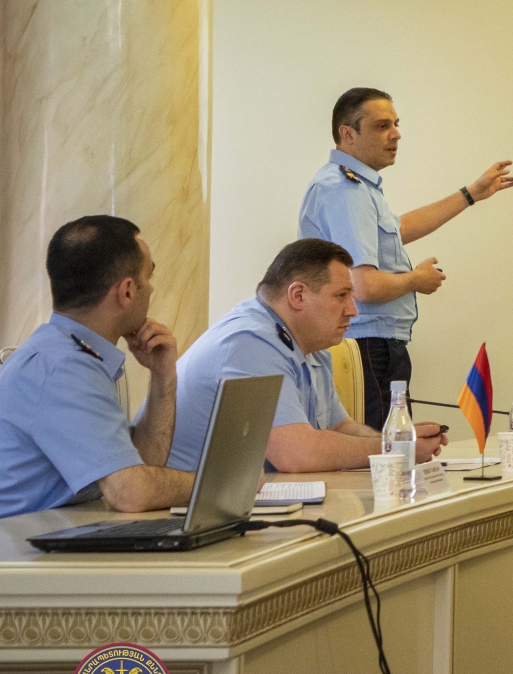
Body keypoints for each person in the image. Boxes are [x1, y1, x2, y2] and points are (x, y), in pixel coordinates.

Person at [299, 87, 513, 430]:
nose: (396, 134)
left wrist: (470, 194)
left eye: (396, 124)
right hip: (366, 346)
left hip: (373, 344)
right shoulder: (344, 189)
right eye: (382, 126)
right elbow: (364, 286)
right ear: (347, 134)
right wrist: (416, 279)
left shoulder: (357, 187)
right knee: (384, 451)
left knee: (392, 445)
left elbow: (399, 228)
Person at [167, 239, 449, 474]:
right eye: (341, 295)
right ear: (298, 295)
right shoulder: (249, 342)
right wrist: (396, 450)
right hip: (176, 512)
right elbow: (296, 454)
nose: (353, 310)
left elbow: (341, 427)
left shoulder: (311, 347)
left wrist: (399, 438)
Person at [0, 217, 192, 518]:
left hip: (52, 535)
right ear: (127, 291)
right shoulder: (62, 368)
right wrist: (220, 485)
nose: (152, 289)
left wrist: (163, 376)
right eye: (149, 276)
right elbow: (130, 492)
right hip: (19, 544)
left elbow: (143, 463)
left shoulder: (71, 355)